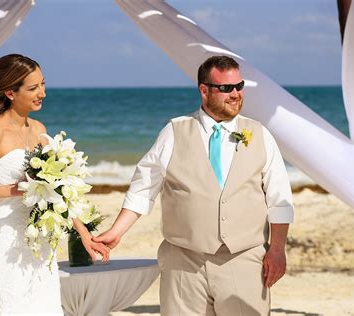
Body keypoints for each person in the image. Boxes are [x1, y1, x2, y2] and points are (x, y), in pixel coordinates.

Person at [94, 55, 294, 315]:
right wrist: (116, 232)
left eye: (239, 86)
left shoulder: (260, 134)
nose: (235, 94)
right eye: (225, 88)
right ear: (204, 90)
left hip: (243, 260)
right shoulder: (175, 131)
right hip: (183, 262)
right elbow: (144, 187)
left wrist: (277, 249)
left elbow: (279, 198)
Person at [0, 54, 109, 315]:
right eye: (33, 88)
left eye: (43, 84)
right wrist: (17, 189)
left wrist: (84, 234)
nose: (43, 93)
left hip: (41, 239)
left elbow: (57, 190)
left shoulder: (39, 129)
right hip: (5, 238)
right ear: (10, 92)